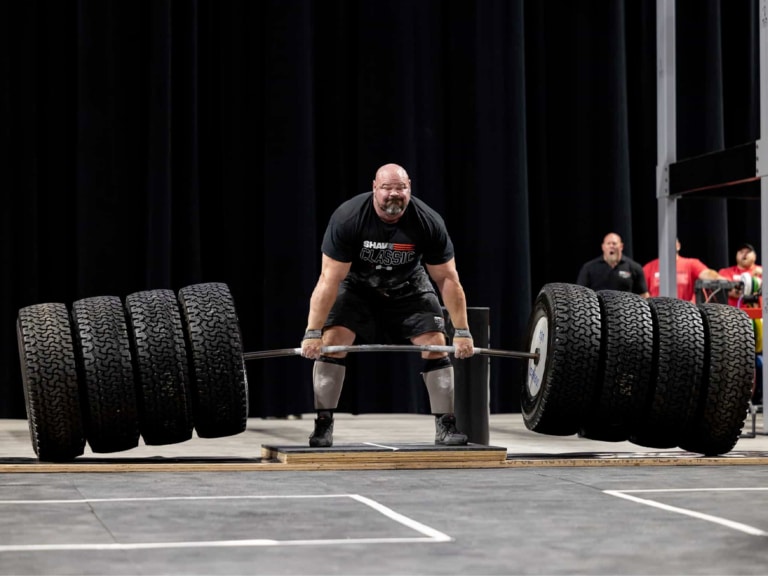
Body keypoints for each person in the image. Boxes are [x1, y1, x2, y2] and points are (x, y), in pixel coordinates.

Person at [300, 163, 475, 448]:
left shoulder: (428, 221)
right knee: (334, 341)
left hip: (409, 287)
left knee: (435, 342)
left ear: (410, 189)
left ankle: (446, 425)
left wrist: (463, 331)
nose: (394, 194)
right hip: (357, 286)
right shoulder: (348, 218)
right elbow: (329, 279)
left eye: (401, 188)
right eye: (387, 188)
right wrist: (312, 331)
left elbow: (447, 279)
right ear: (374, 188)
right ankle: (323, 424)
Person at [718, 243, 763, 405]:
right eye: (740, 251)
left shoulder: (762, 271)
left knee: (759, 361)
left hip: (758, 323)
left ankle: (758, 397)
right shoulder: (726, 273)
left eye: (747, 252)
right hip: (734, 324)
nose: (744, 254)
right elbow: (730, 290)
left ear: (754, 256)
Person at [643, 239, 724, 302]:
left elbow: (707, 274)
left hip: (685, 315)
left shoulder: (691, 264)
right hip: (658, 315)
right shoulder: (649, 267)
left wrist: (723, 280)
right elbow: (640, 291)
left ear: (678, 246)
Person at [576, 232, 649, 297]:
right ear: (603, 247)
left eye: (614, 243)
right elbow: (580, 293)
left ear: (621, 246)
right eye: (608, 243)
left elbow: (643, 295)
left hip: (625, 309)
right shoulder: (589, 267)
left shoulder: (634, 267)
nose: (611, 246)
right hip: (598, 310)